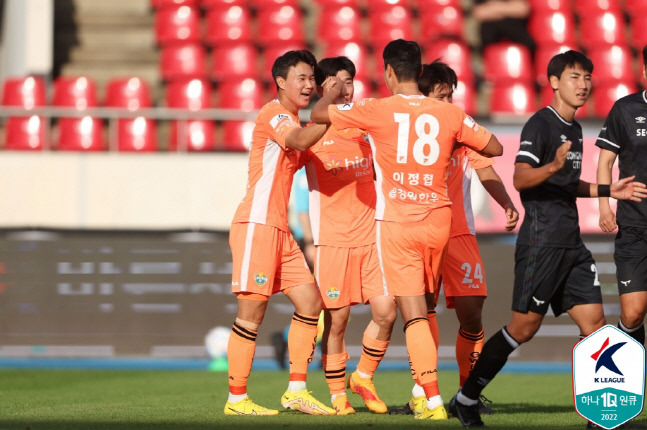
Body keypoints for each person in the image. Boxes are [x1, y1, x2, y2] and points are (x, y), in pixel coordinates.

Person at [449, 50, 647, 428]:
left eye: (587, 77)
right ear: (554, 82)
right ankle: (466, 397)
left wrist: (609, 190)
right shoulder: (541, 124)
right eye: (575, 77)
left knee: (595, 328)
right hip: (542, 243)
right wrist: (553, 165)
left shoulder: (573, 129)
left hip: (571, 246)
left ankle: (599, 417)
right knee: (522, 329)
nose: (583, 84)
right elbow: (521, 178)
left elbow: (566, 184)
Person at [311, 39, 504, 420]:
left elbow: (320, 116)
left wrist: (331, 92)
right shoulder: (449, 113)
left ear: (387, 73)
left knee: (416, 314)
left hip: (398, 225)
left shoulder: (377, 109)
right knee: (430, 308)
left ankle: (430, 400)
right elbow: (495, 147)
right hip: (440, 223)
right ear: (419, 72)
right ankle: (433, 393)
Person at [395, 60, 519, 417]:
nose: (448, 102)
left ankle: (467, 394)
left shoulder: (460, 125)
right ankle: (422, 391)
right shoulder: (409, 129)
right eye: (441, 95)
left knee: (472, 314)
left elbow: (486, 167)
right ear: (423, 95)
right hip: (419, 229)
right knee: (421, 313)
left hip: (459, 231)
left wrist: (507, 203)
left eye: (451, 95)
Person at [224, 49, 336, 416]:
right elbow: (303, 143)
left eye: (311, 79)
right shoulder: (274, 114)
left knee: (310, 303)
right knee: (251, 314)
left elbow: (309, 150)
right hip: (256, 224)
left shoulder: (294, 123)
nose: (308, 85)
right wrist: (331, 106)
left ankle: (297, 390)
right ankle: (237, 399)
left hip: (280, 230)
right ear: (281, 83)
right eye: (301, 78)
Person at [303, 56, 397, 415]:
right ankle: (337, 395)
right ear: (324, 87)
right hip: (334, 242)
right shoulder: (313, 134)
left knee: (387, 311)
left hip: (372, 239)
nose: (346, 88)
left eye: (350, 81)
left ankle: (363, 376)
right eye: (337, 82)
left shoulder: (366, 132)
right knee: (337, 321)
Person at [596, 45, 647, 347]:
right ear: (644, 71)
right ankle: (630, 377)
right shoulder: (625, 109)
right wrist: (605, 207)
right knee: (632, 312)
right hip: (634, 226)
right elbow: (605, 162)